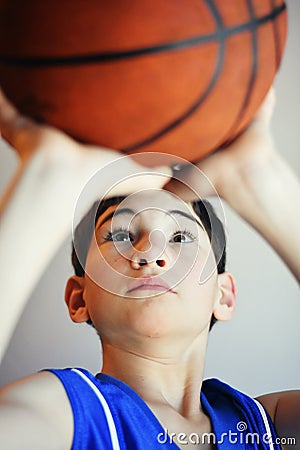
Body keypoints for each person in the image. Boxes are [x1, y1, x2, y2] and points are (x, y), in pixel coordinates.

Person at [0, 88, 299, 449]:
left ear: (224, 295)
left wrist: (261, 179)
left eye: (181, 237)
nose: (150, 253)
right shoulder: (64, 415)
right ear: (79, 298)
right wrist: (50, 182)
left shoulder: (266, 426)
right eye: (120, 235)